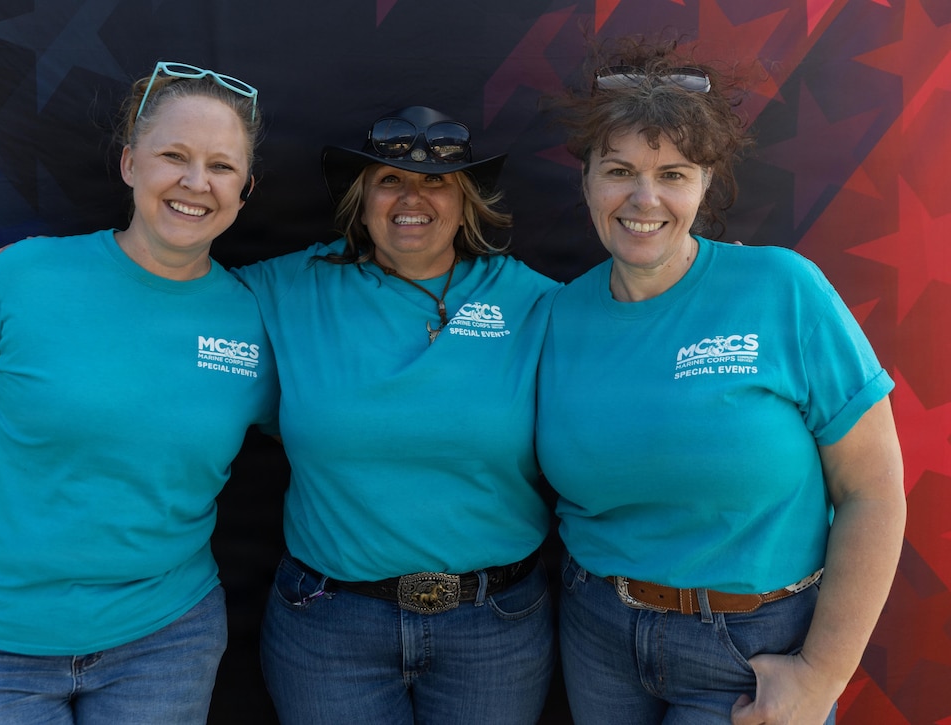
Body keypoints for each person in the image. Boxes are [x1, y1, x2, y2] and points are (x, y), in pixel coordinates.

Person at [0, 61, 277, 723]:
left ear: (244, 190)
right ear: (130, 164)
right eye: (173, 156)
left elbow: (337, 432)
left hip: (166, 639)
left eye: (220, 166)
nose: (194, 182)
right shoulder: (24, 275)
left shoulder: (260, 322)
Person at [535, 39, 906, 724]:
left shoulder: (782, 288)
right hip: (599, 639)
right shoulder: (556, 314)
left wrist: (821, 675)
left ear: (705, 184)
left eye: (673, 173)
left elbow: (874, 490)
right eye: (619, 169)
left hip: (751, 651)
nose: (644, 198)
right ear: (585, 179)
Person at [233, 105, 559, 724]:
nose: (413, 197)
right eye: (389, 180)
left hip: (495, 627)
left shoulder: (536, 302)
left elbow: (637, 328)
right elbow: (171, 290)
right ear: (361, 199)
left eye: (436, 181)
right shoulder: (286, 288)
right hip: (329, 626)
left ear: (467, 202)